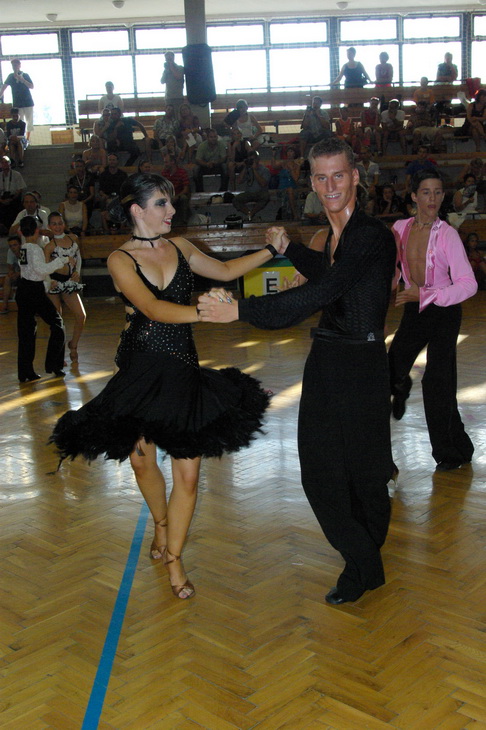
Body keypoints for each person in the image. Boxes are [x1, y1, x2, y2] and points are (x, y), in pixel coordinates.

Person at [49, 172, 277, 600]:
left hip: (182, 370)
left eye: (170, 202)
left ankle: (174, 558)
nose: (172, 210)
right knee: (141, 462)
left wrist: (271, 249)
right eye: (162, 203)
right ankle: (161, 523)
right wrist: (204, 312)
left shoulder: (182, 247)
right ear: (137, 210)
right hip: (139, 370)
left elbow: (225, 269)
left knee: (188, 476)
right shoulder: (120, 259)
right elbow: (152, 308)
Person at [198, 138, 397, 605]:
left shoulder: (371, 235)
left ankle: (363, 562)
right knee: (319, 472)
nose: (330, 186)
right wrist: (289, 247)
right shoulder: (333, 239)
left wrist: (240, 310)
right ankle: (364, 561)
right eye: (321, 177)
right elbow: (327, 273)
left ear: (355, 177)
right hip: (327, 359)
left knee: (367, 475)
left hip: (362, 365)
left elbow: (321, 292)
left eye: (339, 175)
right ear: (311, 182)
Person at [388, 169, 477, 472]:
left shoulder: (447, 235)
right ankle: (401, 386)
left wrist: (426, 294)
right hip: (415, 309)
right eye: (426, 192)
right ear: (414, 196)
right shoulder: (399, 228)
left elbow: (468, 284)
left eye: (438, 192)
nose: (433, 198)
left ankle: (452, 452)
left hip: (444, 312)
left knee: (438, 382)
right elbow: (393, 267)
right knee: (390, 369)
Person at [16, 216, 74, 382]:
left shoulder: (23, 248)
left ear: (21, 232)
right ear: (37, 230)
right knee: (58, 324)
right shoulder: (34, 249)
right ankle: (54, 365)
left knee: (26, 332)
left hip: (24, 290)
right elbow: (42, 270)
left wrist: (47, 284)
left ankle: (25, 372)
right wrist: (62, 260)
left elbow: (31, 271)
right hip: (34, 291)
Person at [44, 212, 86, 363]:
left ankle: (73, 345)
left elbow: (78, 257)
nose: (57, 227)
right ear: (49, 226)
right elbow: (45, 267)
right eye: (54, 224)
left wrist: (77, 272)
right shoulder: (49, 246)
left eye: (60, 223)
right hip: (54, 283)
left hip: (68, 282)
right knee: (57, 321)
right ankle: (58, 353)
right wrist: (49, 281)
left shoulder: (73, 238)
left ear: (64, 224)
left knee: (81, 315)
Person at [0, 59, 34, 141]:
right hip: (17, 103)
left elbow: (31, 86)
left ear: (19, 65)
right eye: (13, 66)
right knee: (19, 121)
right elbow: (4, 87)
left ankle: (27, 139)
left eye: (16, 65)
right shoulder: (10, 76)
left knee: (29, 122)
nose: (14, 67)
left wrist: (22, 80)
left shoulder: (25, 75)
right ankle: (20, 139)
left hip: (28, 102)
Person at [232, 149, 271, 222]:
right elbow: (239, 181)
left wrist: (254, 170)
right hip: (249, 193)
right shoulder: (248, 170)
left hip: (260, 192)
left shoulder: (265, 170)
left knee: (266, 196)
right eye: (250, 159)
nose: (251, 161)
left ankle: (251, 214)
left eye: (253, 159)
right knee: (236, 200)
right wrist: (245, 167)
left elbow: (263, 184)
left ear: (257, 159)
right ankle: (249, 214)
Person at [98, 153, 128, 231]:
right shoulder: (103, 175)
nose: (112, 162)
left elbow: (125, 189)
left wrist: (117, 198)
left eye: (113, 160)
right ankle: (105, 228)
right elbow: (100, 190)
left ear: (117, 161)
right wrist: (106, 197)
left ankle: (122, 228)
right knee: (102, 199)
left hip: (119, 197)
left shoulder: (123, 174)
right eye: (110, 160)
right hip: (107, 197)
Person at [273, 146, 303, 221]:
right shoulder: (283, 163)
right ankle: (294, 214)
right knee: (289, 190)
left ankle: (294, 214)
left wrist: (291, 169)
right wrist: (273, 155)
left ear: (295, 154)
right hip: (282, 188)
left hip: (293, 187)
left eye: (291, 151)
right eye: (288, 151)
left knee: (290, 190)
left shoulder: (297, 165)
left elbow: (296, 179)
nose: (289, 153)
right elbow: (274, 166)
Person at [160, 153, 191, 226]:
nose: (165, 164)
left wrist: (177, 196)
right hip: (169, 196)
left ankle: (184, 221)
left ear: (172, 162)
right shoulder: (164, 173)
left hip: (179, 195)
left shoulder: (182, 172)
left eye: (166, 162)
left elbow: (186, 189)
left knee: (183, 198)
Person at [0, 155, 26, 234]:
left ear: (10, 164)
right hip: (2, 198)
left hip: (14, 198)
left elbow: (20, 189)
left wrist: (12, 199)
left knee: (15, 208)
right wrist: (1, 200)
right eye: (2, 163)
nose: (4, 164)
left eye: (6, 162)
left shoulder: (16, 174)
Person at [1, 234, 21, 314]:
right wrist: (12, 274)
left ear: (20, 244)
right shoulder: (10, 252)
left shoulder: (25, 251)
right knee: (7, 278)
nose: (13, 248)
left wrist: (18, 274)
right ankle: (4, 305)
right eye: (11, 246)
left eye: (15, 245)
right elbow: (10, 267)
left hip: (29, 274)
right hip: (18, 274)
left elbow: (30, 268)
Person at [464, 89, 486, 153]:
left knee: (475, 131)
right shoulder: (471, 105)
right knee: (476, 123)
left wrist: (476, 118)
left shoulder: (485, 107)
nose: (484, 98)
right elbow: (469, 117)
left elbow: (484, 118)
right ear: (479, 97)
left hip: (479, 126)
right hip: (469, 125)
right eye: (483, 96)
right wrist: (473, 121)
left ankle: (478, 149)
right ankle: (484, 136)